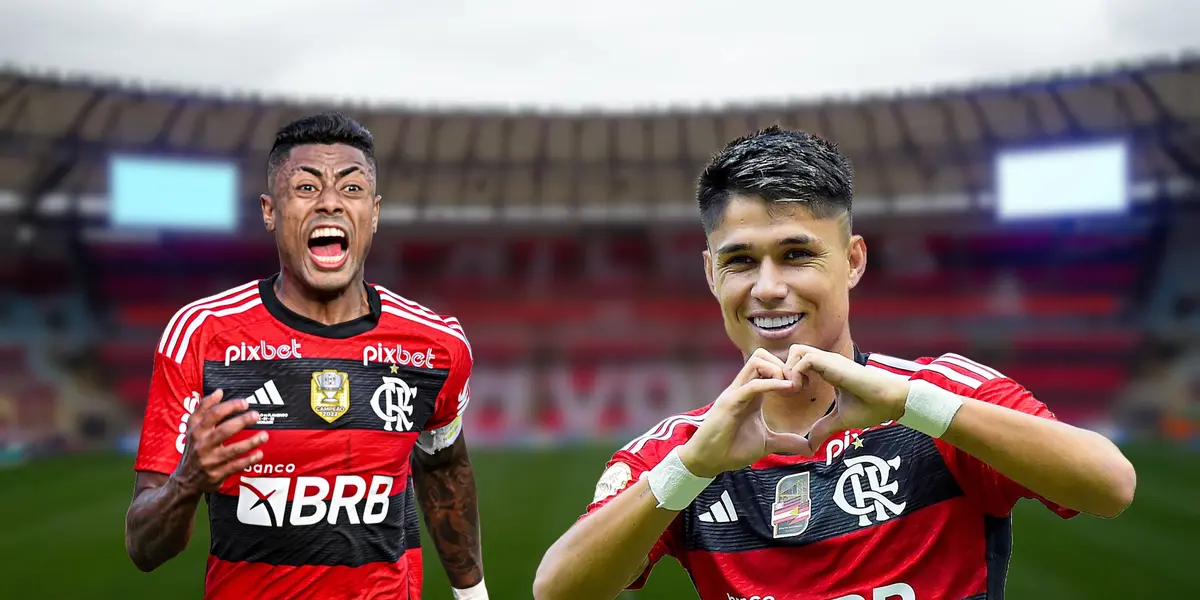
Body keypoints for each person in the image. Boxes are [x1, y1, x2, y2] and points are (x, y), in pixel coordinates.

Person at [533, 126, 1137, 600]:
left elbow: (1110, 486)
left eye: (797, 254)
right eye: (740, 261)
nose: (768, 287)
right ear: (711, 273)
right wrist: (691, 467)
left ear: (851, 261)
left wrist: (911, 405)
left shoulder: (936, 394)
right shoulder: (683, 450)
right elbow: (558, 590)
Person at [124, 112, 489, 600]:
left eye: (352, 189)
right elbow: (143, 549)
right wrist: (186, 482)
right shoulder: (201, 336)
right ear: (270, 210)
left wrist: (473, 596)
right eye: (307, 188)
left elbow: (444, 467)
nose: (331, 204)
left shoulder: (436, 346)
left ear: (374, 213)